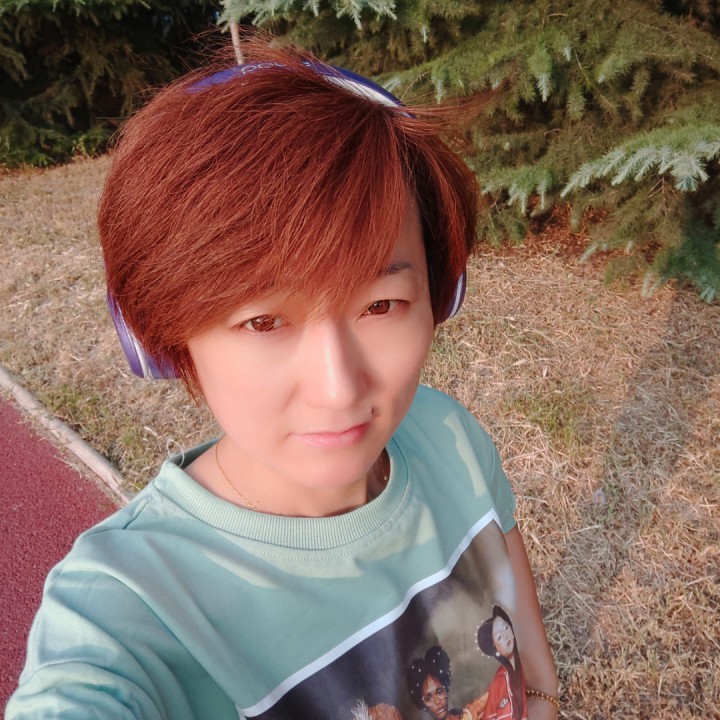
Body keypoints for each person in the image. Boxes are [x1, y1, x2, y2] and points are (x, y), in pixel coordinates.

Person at [6, 37, 559, 720]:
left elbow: (530, 666)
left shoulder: (450, 437)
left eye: (381, 305)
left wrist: (542, 697)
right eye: (263, 321)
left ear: (440, 296)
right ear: (167, 341)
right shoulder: (130, 606)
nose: (338, 387)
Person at [477, 606, 527, 720]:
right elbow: (489, 716)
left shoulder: (529, 660)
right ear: (495, 649)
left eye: (506, 627)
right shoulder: (499, 680)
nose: (505, 635)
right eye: (499, 637)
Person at [407, 646, 472, 720]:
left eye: (440, 692)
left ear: (445, 690)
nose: (437, 701)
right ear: (422, 704)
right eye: (428, 698)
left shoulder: (468, 715)